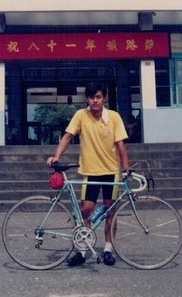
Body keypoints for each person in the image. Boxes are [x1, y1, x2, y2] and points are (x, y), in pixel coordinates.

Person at [46, 81, 131, 267]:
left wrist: (126, 168)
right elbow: (68, 136)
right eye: (92, 97)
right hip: (90, 172)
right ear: (87, 98)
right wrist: (56, 156)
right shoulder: (81, 115)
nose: (95, 101)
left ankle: (108, 249)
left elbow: (121, 146)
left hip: (111, 172)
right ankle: (82, 251)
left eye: (99, 97)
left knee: (110, 213)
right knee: (86, 211)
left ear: (104, 98)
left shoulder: (114, 117)